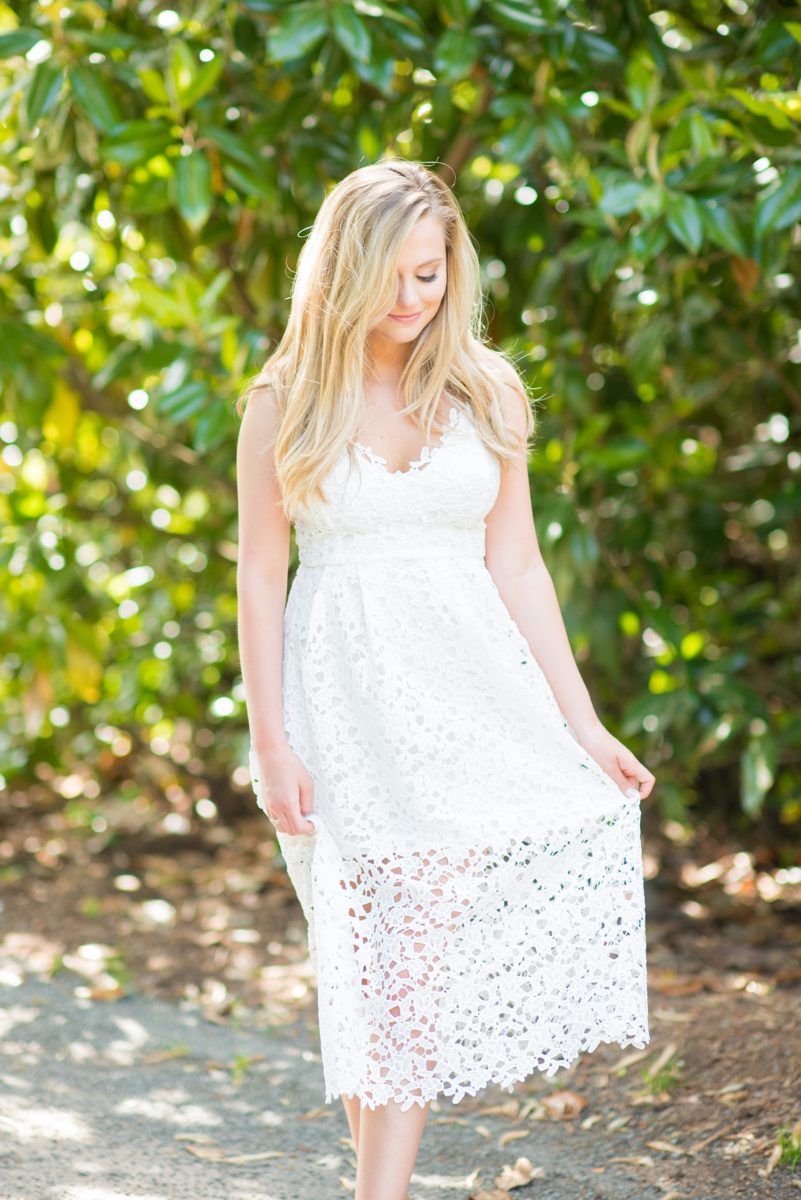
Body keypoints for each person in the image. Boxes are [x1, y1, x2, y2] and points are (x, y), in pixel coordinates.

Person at [235, 158, 654, 1200]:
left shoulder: (486, 391)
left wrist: (584, 725)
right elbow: (258, 570)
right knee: (364, 969)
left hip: (467, 703)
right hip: (339, 706)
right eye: (393, 277)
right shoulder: (284, 400)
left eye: (432, 275)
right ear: (341, 271)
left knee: (407, 971)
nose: (414, 300)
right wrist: (271, 740)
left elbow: (517, 564)